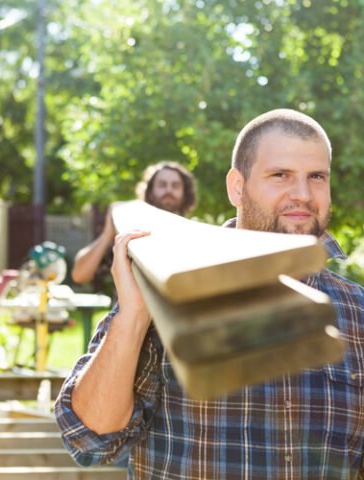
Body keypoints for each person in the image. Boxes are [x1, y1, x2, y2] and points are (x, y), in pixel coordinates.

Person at [55, 109, 364, 479]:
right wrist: (134, 316)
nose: (302, 194)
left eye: (316, 177)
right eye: (280, 175)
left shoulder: (357, 312)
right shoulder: (174, 288)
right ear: (237, 186)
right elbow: (90, 441)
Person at [71, 161, 197, 285]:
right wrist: (108, 233)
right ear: (150, 192)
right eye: (162, 185)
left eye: (175, 185)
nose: (168, 190)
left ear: (184, 193)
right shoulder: (132, 233)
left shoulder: (192, 237)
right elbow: (80, 275)